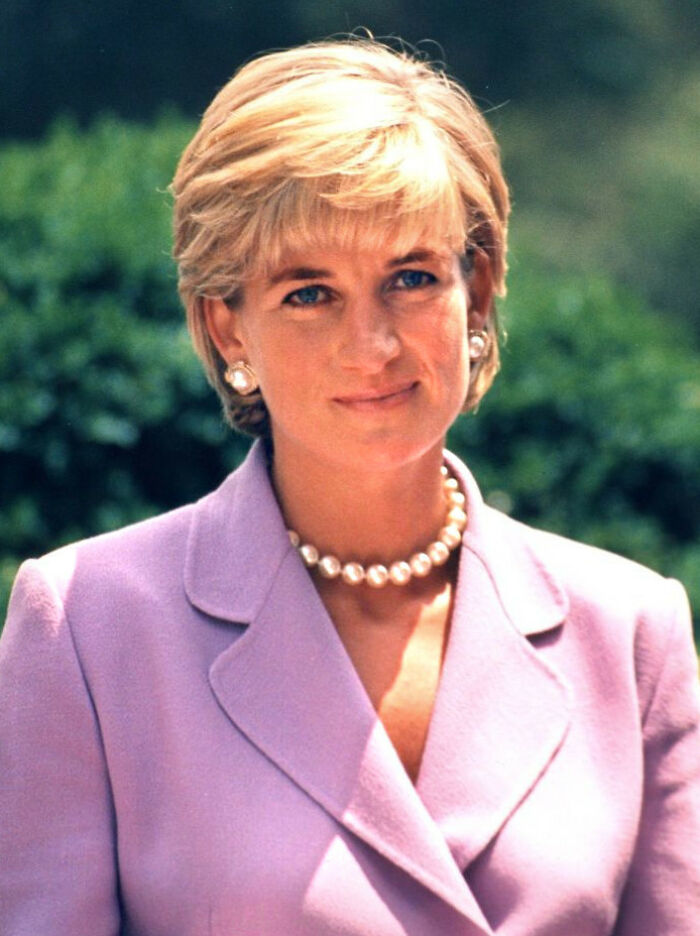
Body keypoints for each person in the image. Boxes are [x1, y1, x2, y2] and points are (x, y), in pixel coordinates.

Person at [1, 38, 699, 936]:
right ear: (227, 327)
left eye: (411, 278)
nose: (371, 345)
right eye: (308, 293)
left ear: (476, 294)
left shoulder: (634, 631)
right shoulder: (88, 627)